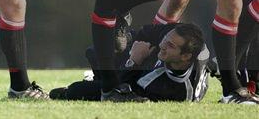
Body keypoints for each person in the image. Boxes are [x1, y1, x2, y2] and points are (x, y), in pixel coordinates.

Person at [50, 23, 209, 102]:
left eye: (170, 45)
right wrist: (130, 40)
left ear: (186, 56)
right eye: (166, 39)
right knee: (98, 50)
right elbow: (151, 31)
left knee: (75, 91)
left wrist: (133, 61)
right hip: (142, 59)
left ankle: (88, 82)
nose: (162, 44)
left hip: (134, 73)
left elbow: (121, 85)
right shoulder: (198, 48)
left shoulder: (162, 86)